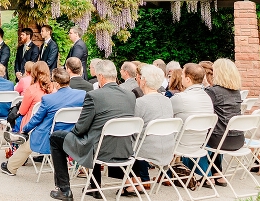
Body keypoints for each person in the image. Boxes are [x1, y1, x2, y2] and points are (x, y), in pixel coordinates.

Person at [48, 59, 136, 201]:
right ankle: (94, 187)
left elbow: (80, 128)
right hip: (125, 149)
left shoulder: (95, 96)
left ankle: (64, 190)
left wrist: (71, 135)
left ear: (100, 76)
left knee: (56, 137)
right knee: (96, 135)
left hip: (100, 150)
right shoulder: (130, 96)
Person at [1, 68, 85, 176]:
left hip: (49, 135)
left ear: (56, 83)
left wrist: (25, 129)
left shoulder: (48, 99)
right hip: (72, 133)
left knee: (29, 142)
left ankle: (10, 167)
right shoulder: (81, 95)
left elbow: (37, 119)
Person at [125, 64, 175, 195]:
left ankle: (133, 182)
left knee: (124, 139)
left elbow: (132, 129)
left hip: (146, 151)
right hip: (168, 148)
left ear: (144, 81)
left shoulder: (140, 102)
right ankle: (135, 181)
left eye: (141, 77)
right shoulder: (167, 101)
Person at [196, 58, 243, 187]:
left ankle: (206, 176)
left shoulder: (213, 91)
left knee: (197, 137)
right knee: (216, 131)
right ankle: (217, 173)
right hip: (238, 139)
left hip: (220, 140)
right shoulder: (237, 92)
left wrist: (205, 86)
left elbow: (201, 105)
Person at [16, 61, 55, 132]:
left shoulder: (31, 89)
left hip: (31, 124)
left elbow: (22, 111)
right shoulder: (53, 88)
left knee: (17, 117)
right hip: (49, 124)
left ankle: (15, 138)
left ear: (34, 73)